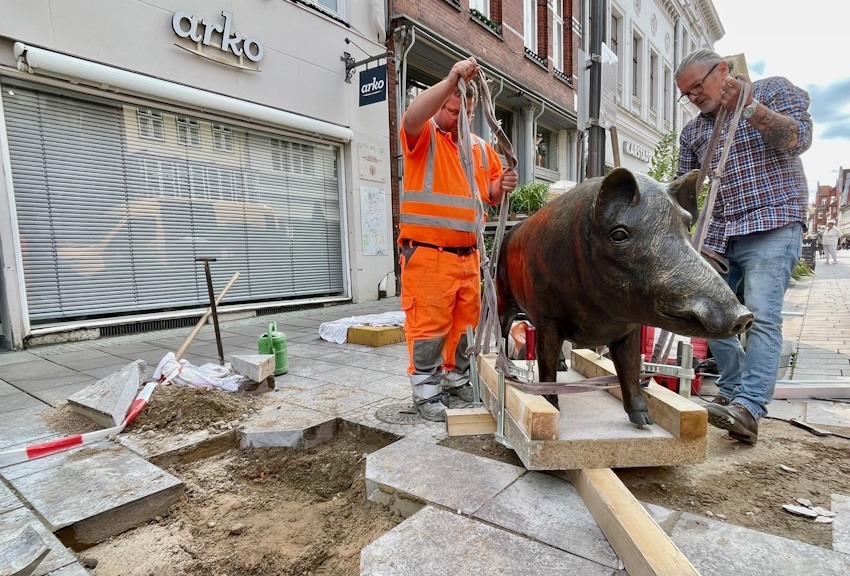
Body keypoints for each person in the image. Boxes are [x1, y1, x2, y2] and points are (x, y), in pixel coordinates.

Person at [675, 49, 812, 445]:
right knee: (707, 314)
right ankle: (731, 393)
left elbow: (796, 138)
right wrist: (688, 236)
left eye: (698, 86)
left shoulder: (774, 91)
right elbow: (686, 191)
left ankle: (750, 407)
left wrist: (749, 108)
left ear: (723, 70)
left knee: (762, 316)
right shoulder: (694, 132)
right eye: (687, 93)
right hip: (720, 234)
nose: (694, 97)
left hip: (773, 222)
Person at [398, 56, 518, 422]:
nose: (457, 118)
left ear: (472, 109)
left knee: (464, 329)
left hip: (468, 258)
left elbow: (490, 194)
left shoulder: (481, 150)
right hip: (428, 256)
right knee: (428, 328)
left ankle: (455, 381)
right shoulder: (424, 136)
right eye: (450, 110)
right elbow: (410, 118)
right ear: (442, 103)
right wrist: (451, 79)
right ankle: (426, 392)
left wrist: (502, 185)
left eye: (463, 112)